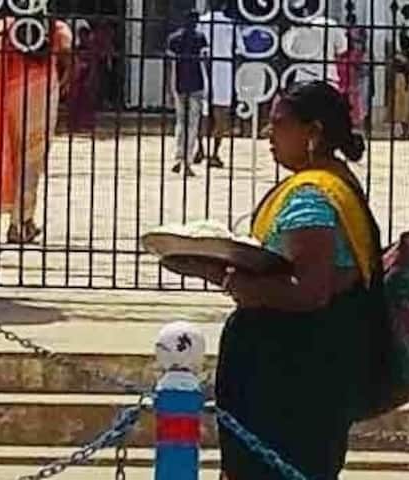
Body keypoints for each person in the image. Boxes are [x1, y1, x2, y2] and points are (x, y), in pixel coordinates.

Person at [203, 81, 376, 480]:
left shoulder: (312, 197)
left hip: (288, 377)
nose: (268, 134)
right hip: (309, 367)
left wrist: (242, 286)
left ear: (312, 132)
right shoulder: (336, 181)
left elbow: (311, 290)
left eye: (278, 124)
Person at [0, 16, 73, 244]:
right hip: (40, 95)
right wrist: (62, 81)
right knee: (31, 162)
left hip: (7, 98)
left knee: (9, 154)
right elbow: (67, 57)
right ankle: (21, 222)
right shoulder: (55, 28)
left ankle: (19, 219)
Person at [167, 13, 211, 175]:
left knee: (181, 123)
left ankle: (180, 157)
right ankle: (186, 159)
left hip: (180, 83)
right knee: (192, 124)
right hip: (196, 84)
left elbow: (171, 66)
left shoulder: (174, 39)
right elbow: (205, 62)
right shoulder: (200, 38)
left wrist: (170, 88)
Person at [199, 3, 241, 166]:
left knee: (202, 112)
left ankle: (200, 149)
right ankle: (214, 153)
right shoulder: (230, 25)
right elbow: (240, 49)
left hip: (203, 67)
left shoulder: (201, 22)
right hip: (224, 69)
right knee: (221, 113)